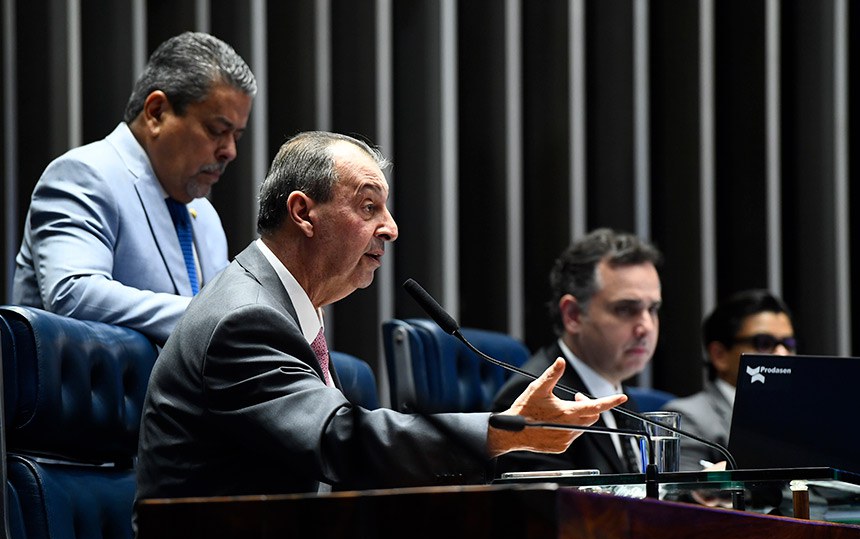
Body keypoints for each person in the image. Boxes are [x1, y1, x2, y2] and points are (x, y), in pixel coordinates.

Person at [134, 132, 628, 501]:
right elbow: (339, 439)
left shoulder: (275, 308)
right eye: (369, 207)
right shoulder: (245, 320)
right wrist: (501, 431)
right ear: (303, 213)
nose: (390, 228)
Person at [12, 31, 256, 344]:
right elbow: (72, 292)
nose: (229, 152)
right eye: (216, 130)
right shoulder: (85, 174)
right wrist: (211, 318)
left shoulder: (204, 215)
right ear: (156, 112)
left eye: (236, 136)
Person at [492, 229, 663, 476]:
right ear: (573, 315)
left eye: (653, 309)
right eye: (626, 309)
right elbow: (550, 509)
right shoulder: (537, 399)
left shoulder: (617, 392)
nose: (646, 326)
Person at [662, 289, 796, 472]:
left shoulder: (801, 414)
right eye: (764, 343)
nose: (783, 354)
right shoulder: (689, 417)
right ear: (720, 355)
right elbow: (680, 496)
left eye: (788, 345)